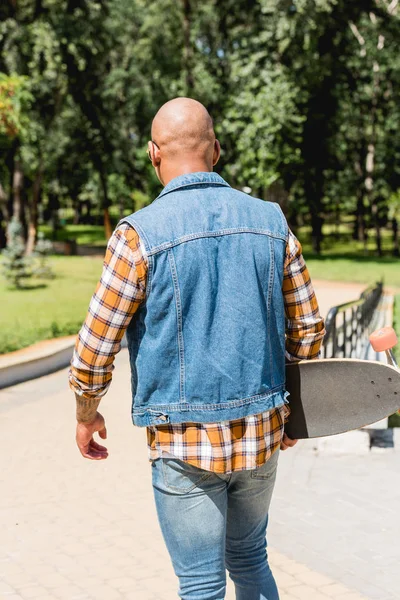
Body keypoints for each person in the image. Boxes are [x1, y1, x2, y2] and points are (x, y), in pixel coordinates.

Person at [69, 97, 325, 600]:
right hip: (261, 435)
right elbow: (309, 330)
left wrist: (86, 411)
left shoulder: (137, 236)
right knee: (252, 561)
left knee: (201, 584)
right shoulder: (272, 223)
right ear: (217, 150)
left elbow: (95, 347)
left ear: (152, 154)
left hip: (182, 443)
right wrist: (293, 415)